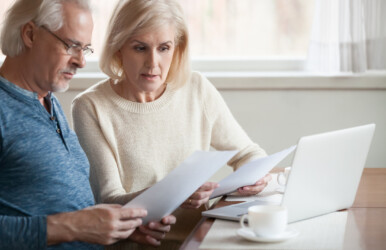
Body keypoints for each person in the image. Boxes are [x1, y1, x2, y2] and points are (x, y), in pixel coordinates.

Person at [0, 0, 175, 249]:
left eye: (86, 49)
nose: (81, 61)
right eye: (72, 46)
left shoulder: (48, 101)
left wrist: (119, 228)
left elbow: (63, 209)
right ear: (30, 34)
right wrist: (75, 226)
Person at [72, 0, 271, 248]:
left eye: (164, 48)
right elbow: (110, 200)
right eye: (140, 48)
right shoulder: (90, 106)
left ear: (177, 48)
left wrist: (256, 176)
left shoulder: (197, 88)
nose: (153, 63)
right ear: (118, 48)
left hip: (199, 241)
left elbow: (250, 153)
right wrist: (175, 191)